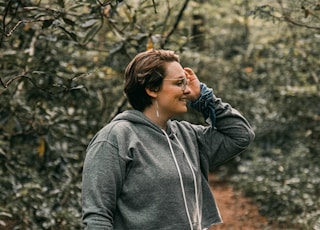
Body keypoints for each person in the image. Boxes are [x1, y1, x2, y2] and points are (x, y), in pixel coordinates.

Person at [81, 49, 255, 230]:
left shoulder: (188, 136)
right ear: (151, 89)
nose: (187, 90)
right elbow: (97, 217)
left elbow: (241, 135)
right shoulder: (115, 138)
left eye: (186, 83)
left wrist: (204, 98)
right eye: (180, 83)